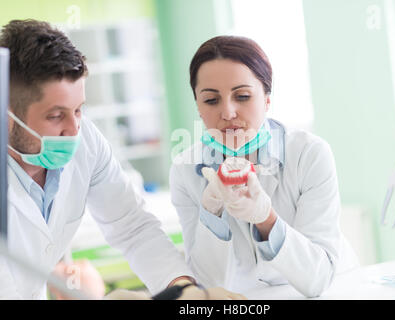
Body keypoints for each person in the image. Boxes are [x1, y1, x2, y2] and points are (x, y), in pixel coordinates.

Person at [0, 19, 245, 300]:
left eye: (79, 110)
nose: (74, 129)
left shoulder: (86, 142)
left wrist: (183, 290)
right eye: (56, 116)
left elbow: (132, 226)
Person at [169, 35, 360, 298]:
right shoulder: (185, 170)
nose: (227, 112)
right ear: (199, 108)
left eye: (243, 96)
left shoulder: (308, 154)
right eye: (212, 100)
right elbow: (208, 284)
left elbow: (317, 278)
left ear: (267, 99)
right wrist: (211, 213)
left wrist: (265, 219)